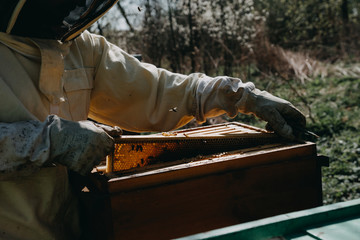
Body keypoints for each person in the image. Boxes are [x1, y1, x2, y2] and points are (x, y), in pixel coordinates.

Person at [0, 0, 306, 239]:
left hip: (73, 228)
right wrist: (44, 142)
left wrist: (239, 96)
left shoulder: (82, 48)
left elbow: (158, 92)